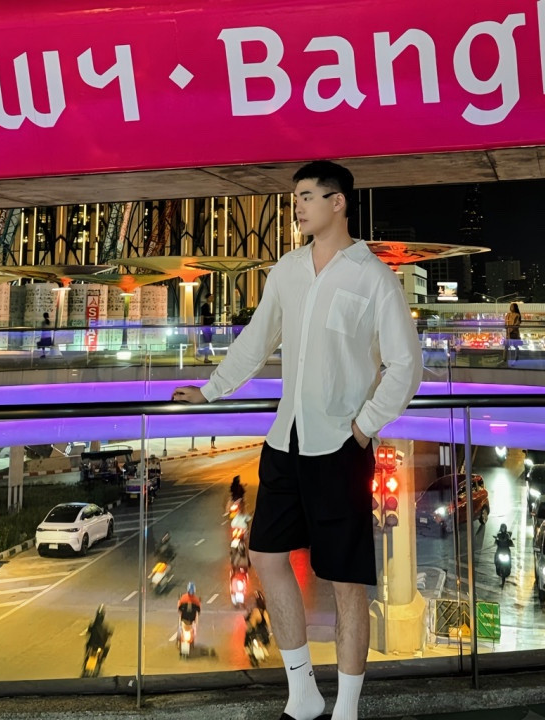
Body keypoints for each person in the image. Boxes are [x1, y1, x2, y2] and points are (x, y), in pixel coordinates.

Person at [173, 160, 422, 720]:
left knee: (345, 581)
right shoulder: (286, 270)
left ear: (338, 203)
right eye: (296, 198)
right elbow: (257, 338)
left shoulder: (373, 277)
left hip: (340, 446)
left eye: (308, 196)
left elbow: (406, 364)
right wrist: (211, 390)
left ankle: (347, 709)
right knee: (265, 554)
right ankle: (303, 693)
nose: (298, 207)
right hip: (285, 440)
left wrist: (364, 426)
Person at [198, 292, 215, 364]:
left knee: (207, 342)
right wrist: (202, 326)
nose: (212, 298)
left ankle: (206, 357)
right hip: (206, 326)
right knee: (207, 342)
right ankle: (206, 358)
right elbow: (202, 316)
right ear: (208, 298)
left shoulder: (206, 306)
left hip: (206, 326)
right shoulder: (205, 306)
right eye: (211, 297)